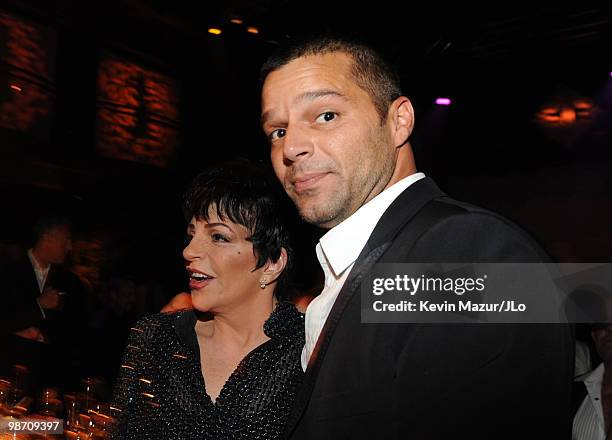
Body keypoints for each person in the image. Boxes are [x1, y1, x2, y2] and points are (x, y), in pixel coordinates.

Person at [258, 36, 573, 439]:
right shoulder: (362, 266)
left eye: (326, 115)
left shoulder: (469, 251)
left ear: (398, 121)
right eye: (278, 131)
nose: (293, 148)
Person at [109, 160, 304, 439]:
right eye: (192, 234)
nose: (189, 251)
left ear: (272, 263)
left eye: (218, 237)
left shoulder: (307, 354)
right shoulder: (155, 338)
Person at [0, 215, 88, 389]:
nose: (70, 247)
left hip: (49, 380)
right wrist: (38, 306)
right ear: (47, 238)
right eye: (67, 239)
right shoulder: (7, 272)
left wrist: (43, 336)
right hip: (8, 374)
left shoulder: (70, 282)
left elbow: (78, 329)